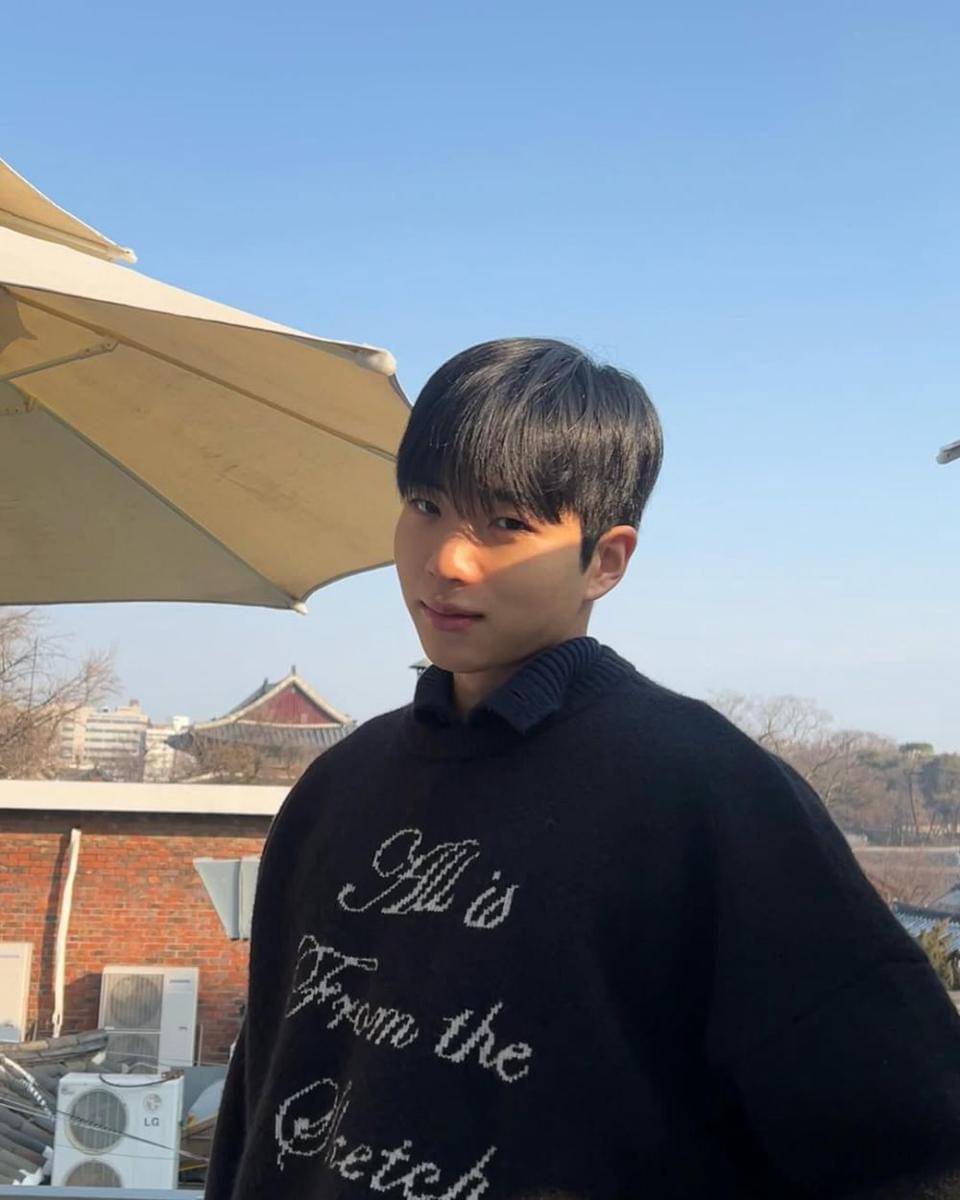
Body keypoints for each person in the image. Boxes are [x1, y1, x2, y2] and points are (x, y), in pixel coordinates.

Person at [205, 338, 960, 1200]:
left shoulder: (706, 792)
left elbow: (916, 1141)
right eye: (425, 504)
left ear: (605, 559)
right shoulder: (338, 787)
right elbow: (260, 1094)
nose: (446, 560)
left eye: (507, 524)